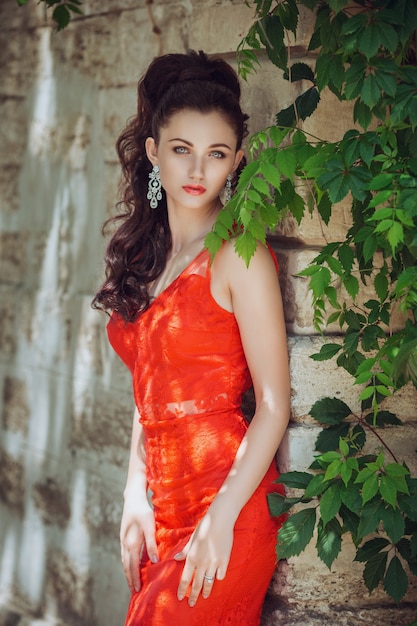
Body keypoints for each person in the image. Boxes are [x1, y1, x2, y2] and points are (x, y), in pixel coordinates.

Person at [92, 49, 290, 626]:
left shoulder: (239, 255)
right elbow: (149, 386)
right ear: (154, 152)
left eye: (217, 154)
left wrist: (219, 518)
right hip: (166, 506)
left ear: (238, 161)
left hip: (230, 505)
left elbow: (274, 408)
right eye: (182, 150)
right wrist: (135, 494)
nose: (198, 170)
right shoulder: (149, 258)